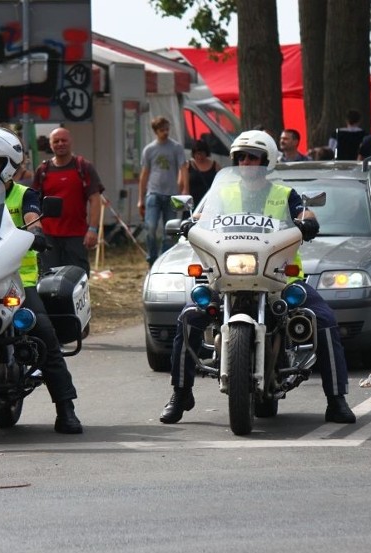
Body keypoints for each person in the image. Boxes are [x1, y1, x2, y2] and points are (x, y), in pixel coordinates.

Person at [159, 130, 357, 425]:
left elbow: (306, 214)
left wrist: (308, 223)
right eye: (241, 157)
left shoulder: (284, 194)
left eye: (254, 157)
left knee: (324, 320)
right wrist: (188, 222)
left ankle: (336, 398)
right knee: (189, 317)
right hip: (227, 275)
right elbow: (203, 217)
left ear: (267, 161)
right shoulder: (222, 194)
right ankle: (180, 392)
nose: (247, 162)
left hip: (279, 278)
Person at [0, 127, 83, 434]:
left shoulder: (25, 195)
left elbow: (34, 219)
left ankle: (66, 407)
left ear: (8, 165)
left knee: (42, 333)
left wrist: (35, 234)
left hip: (18, 279)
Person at [31, 127, 105, 277]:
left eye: (63, 140)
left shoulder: (83, 167)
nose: (60, 144)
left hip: (76, 236)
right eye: (56, 141)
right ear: (50, 145)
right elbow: (33, 203)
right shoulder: (43, 170)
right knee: (48, 280)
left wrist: (93, 229)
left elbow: (95, 199)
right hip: (49, 237)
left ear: (71, 142)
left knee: (77, 279)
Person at [138, 116, 188, 267]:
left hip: (171, 193)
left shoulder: (176, 147)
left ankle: (164, 260)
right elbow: (144, 174)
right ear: (155, 131)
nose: (165, 133)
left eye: (167, 129)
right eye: (162, 130)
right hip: (153, 193)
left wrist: (185, 189)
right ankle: (152, 258)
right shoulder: (149, 149)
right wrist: (140, 198)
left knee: (170, 231)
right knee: (150, 227)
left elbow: (183, 168)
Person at [187, 139, 221, 206]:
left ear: (206, 153)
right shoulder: (188, 165)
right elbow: (182, 185)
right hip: (192, 202)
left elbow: (220, 183)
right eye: (197, 154)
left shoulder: (215, 165)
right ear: (194, 154)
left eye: (202, 154)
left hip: (209, 201)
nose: (200, 156)